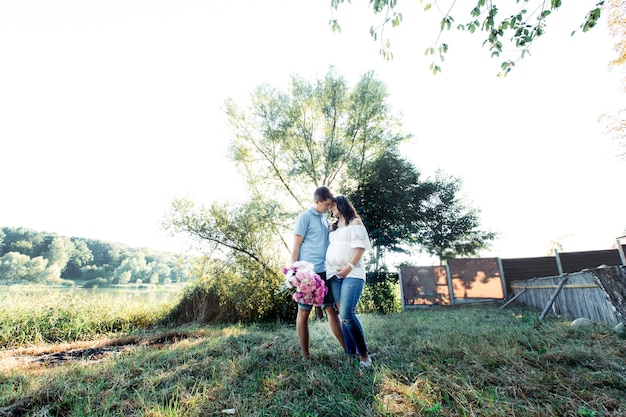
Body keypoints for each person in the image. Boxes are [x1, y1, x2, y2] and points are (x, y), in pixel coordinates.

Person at [291, 186, 345, 359]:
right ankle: (306, 355)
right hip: (308, 273)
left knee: (331, 310)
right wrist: (294, 271)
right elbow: (296, 245)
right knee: (304, 311)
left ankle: (348, 350)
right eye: (327, 204)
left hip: (326, 271)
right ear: (317, 202)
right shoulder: (305, 217)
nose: (329, 208)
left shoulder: (323, 220)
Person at [326, 195, 373, 367]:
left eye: (333, 205)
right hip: (334, 275)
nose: (331, 209)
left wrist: (349, 266)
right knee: (342, 315)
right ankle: (350, 353)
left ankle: (364, 356)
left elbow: (360, 247)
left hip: (352, 273)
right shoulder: (332, 227)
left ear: (342, 204)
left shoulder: (355, 223)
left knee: (347, 313)